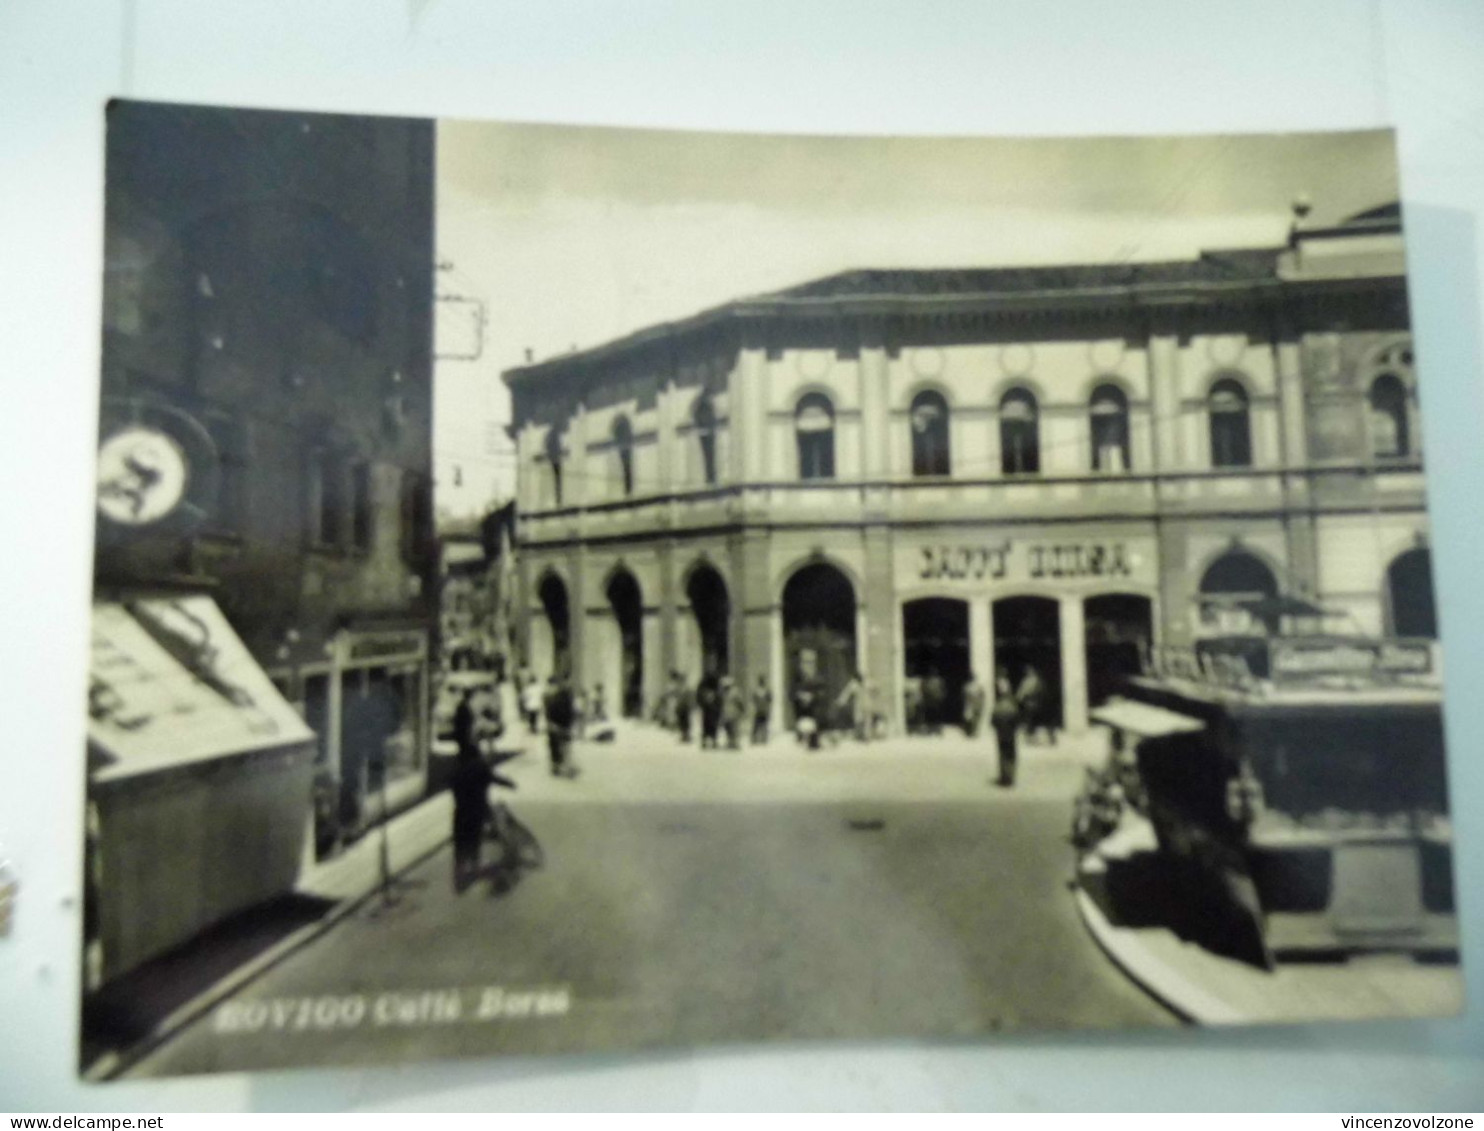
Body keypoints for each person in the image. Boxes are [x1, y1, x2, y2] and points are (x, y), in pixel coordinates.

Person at [448, 744, 494, 892]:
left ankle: (459, 872)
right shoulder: (481, 766)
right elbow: (490, 779)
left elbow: (452, 786)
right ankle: (475, 866)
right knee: (474, 838)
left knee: (460, 840)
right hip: (476, 810)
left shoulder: (457, 770)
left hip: (460, 812)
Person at [543, 674, 579, 778]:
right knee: (557, 747)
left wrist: (570, 723)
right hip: (557, 725)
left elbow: (570, 710)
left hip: (562, 725)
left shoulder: (563, 695)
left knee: (563, 747)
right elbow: (548, 712)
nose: (552, 687)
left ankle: (562, 768)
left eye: (554, 685)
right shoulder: (549, 696)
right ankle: (558, 767)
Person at [990, 667, 1021, 787]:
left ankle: (1004, 776)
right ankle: (1011, 776)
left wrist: (998, 728)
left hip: (1001, 733)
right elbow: (1017, 720)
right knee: (1011, 755)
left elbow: (992, 721)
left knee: (1002, 755)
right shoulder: (1012, 707)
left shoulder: (997, 707)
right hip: (1010, 733)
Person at [1016, 664, 1054, 745]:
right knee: (1041, 722)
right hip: (1039, 704)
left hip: (1031, 704)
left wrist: (1019, 699)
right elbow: (1045, 692)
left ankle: (1032, 740)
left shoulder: (1027, 681)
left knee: (1030, 723)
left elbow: (1021, 694)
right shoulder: (1039, 680)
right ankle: (1050, 739)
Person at [696, 669, 723, 749]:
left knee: (707, 725)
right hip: (710, 709)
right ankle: (711, 741)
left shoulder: (704, 686)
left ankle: (708, 741)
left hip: (709, 709)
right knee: (710, 725)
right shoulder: (713, 687)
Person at [836, 671, 866, 741]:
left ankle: (861, 734)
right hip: (858, 703)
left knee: (861, 718)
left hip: (863, 703)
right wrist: (841, 701)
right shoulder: (854, 684)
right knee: (859, 718)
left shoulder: (860, 684)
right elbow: (847, 693)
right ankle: (859, 734)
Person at [720, 676, 745, 749]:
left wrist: (742, 710)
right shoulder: (723, 693)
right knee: (728, 728)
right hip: (727, 713)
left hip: (733, 713)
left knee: (734, 728)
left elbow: (740, 702)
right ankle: (730, 742)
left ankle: (735, 742)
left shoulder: (734, 692)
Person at [961, 672, 986, 739]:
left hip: (975, 705)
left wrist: (982, 704)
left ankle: (973, 732)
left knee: (975, 719)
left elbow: (982, 696)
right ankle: (971, 732)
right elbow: (964, 696)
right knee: (971, 719)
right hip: (972, 705)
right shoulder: (968, 686)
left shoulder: (977, 686)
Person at [750, 675, 773, 745]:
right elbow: (753, 700)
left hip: (763, 710)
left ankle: (763, 738)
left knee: (763, 724)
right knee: (757, 725)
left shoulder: (765, 690)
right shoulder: (758, 691)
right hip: (759, 710)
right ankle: (756, 739)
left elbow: (770, 700)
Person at [673, 671, 694, 743]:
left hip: (686, 707)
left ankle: (687, 735)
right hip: (680, 707)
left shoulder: (687, 688)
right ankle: (683, 735)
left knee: (686, 722)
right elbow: (676, 697)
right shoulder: (678, 688)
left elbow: (690, 698)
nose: (681, 681)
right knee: (681, 722)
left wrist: (690, 705)